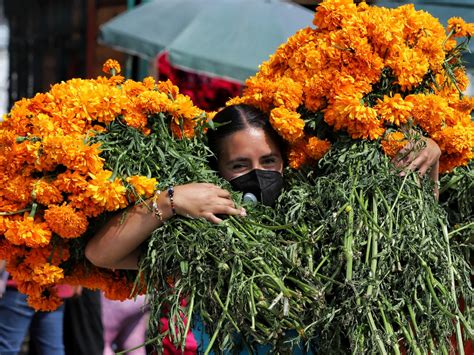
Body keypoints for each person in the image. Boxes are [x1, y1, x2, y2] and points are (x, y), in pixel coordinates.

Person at [85, 104, 441, 353]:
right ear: (216, 170)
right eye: (240, 165)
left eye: (268, 161)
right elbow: (102, 254)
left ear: (285, 161)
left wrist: (429, 151)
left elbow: (416, 216)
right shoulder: (202, 238)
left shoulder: (324, 219)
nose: (258, 174)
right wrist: (169, 201)